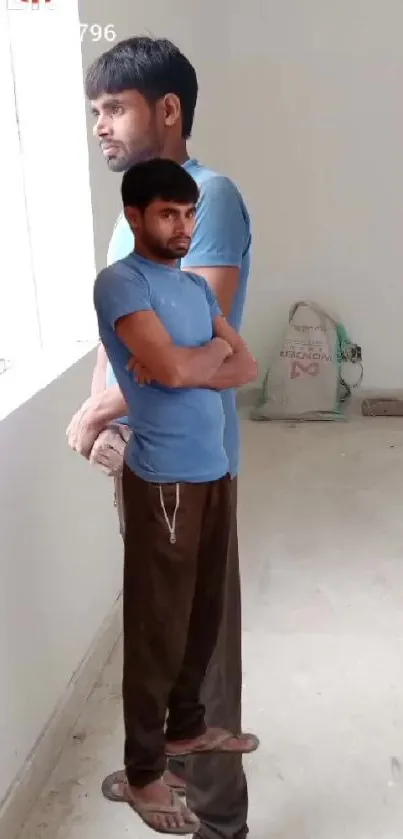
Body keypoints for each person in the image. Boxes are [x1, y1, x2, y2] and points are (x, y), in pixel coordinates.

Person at [67, 36, 254, 839]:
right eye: (95, 113)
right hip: (144, 462)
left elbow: (189, 351)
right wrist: (102, 421)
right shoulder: (134, 214)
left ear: (167, 110)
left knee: (200, 643)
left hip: (194, 465)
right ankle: (155, 766)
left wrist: (93, 416)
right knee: (156, 626)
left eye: (114, 109)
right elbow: (122, 342)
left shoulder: (209, 199)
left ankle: (217, 822)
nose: (100, 127)